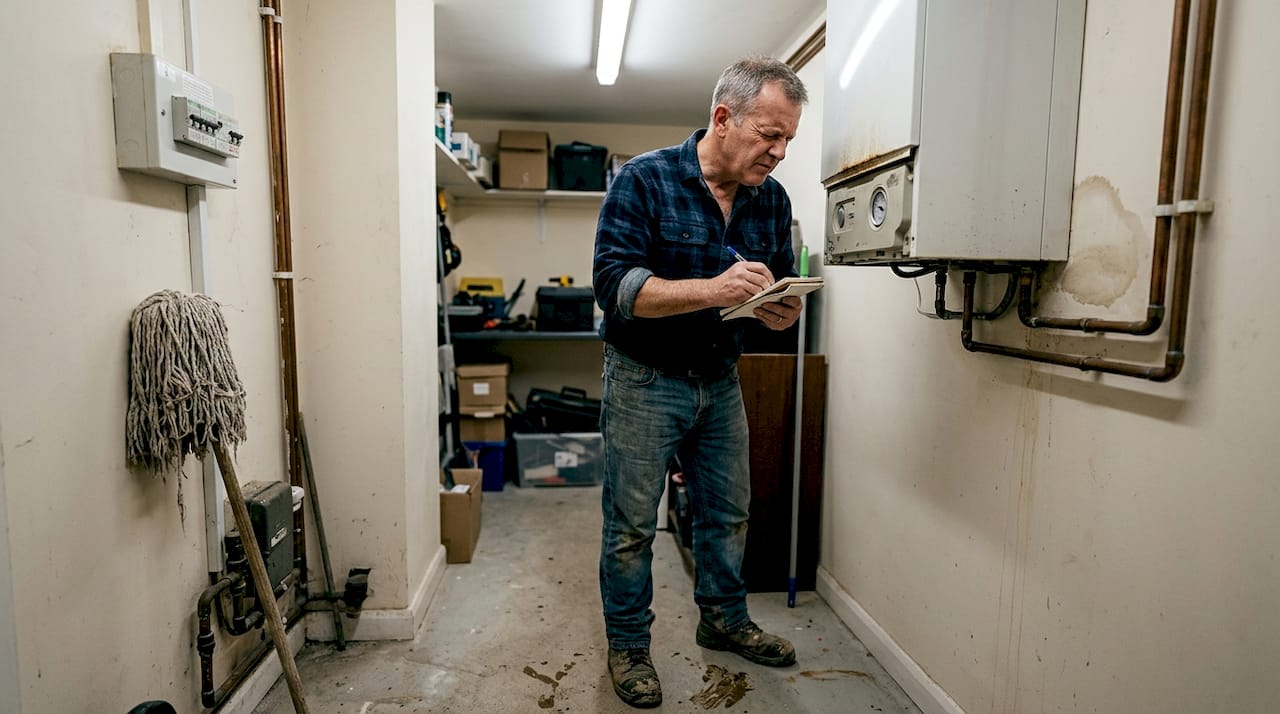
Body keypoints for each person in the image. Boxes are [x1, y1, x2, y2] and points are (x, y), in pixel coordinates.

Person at [592, 56, 808, 708]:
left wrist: (781, 311)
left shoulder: (772, 201)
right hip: (643, 379)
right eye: (769, 135)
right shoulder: (644, 179)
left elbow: (772, 293)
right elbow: (616, 288)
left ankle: (723, 621)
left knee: (728, 515)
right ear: (723, 118)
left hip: (720, 380)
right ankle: (629, 645)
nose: (779, 152)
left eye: (788, 139)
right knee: (631, 527)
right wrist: (712, 290)